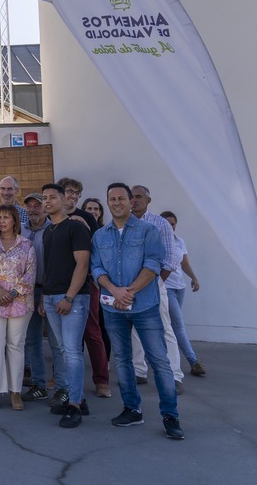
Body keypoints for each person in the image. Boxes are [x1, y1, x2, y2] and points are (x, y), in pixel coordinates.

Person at [92, 183, 184, 440]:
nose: (117, 202)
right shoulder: (100, 235)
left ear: (130, 201)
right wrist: (115, 290)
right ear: (108, 202)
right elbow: (97, 269)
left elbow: (154, 264)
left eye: (122, 198)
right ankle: (132, 409)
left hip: (145, 306)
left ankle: (170, 415)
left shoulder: (148, 230)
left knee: (159, 360)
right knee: (122, 360)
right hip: (113, 309)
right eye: (112, 198)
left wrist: (129, 291)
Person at [38, 184, 92, 428]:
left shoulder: (76, 227)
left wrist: (69, 297)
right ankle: (77, 398)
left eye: (52, 197)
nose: (47, 201)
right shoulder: (49, 231)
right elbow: (50, 267)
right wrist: (44, 297)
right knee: (61, 349)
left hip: (73, 298)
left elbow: (82, 265)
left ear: (64, 199)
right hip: (50, 298)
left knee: (72, 352)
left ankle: (74, 406)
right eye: (44, 198)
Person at [58, 177, 111, 398]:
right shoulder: (53, 217)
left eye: (76, 193)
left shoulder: (88, 218)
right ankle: (64, 378)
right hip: (59, 283)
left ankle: (101, 380)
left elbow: (97, 250)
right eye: (68, 192)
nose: (72, 196)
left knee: (92, 331)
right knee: (62, 337)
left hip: (86, 283)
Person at [130, 185, 185, 393]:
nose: (134, 201)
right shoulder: (124, 223)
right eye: (131, 197)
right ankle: (139, 371)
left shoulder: (160, 223)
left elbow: (171, 258)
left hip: (153, 284)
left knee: (164, 328)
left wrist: (156, 281)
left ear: (148, 200)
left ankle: (175, 375)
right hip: (131, 287)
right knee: (135, 329)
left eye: (138, 197)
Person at [0, 204, 36, 410]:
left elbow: (30, 274)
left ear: (15, 221)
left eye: (6, 217)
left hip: (20, 302)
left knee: (16, 346)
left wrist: (12, 293)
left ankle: (15, 391)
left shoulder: (26, 245)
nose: (2, 221)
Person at [20, 193, 63, 402]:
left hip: (51, 291)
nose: (33, 209)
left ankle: (63, 387)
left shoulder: (53, 228)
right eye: (30, 206)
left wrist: (45, 294)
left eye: (38, 205)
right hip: (27, 291)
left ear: (45, 208)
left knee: (56, 342)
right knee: (32, 340)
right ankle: (39, 384)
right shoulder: (21, 229)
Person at [159, 211, 206, 377]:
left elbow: (184, 263)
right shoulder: (158, 241)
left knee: (169, 325)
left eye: (173, 223)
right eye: (167, 223)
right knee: (178, 325)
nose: (171, 226)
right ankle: (193, 361)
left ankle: (159, 355)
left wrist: (194, 277)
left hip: (180, 287)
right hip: (166, 287)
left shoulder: (180, 242)